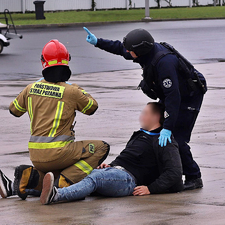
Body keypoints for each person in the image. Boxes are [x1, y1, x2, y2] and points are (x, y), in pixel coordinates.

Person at [83, 27, 207, 190]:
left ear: (140, 51)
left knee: (177, 137)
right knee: (158, 131)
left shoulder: (164, 63)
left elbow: (173, 97)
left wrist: (168, 127)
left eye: (131, 49)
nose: (128, 51)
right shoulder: (144, 52)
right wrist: (98, 42)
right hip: (172, 93)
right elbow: (120, 48)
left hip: (188, 96)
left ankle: (193, 176)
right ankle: (162, 170)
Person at [0, 40, 110, 200]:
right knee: (101, 148)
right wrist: (77, 89)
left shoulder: (30, 88)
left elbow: (14, 110)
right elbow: (92, 107)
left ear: (43, 62)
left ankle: (28, 176)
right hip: (59, 153)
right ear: (67, 60)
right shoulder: (71, 91)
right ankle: (64, 182)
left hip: (36, 155)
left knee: (51, 173)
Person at [40, 102, 184, 205]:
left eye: (145, 113)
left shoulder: (164, 140)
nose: (141, 116)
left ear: (155, 117)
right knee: (78, 172)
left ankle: (56, 196)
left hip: (128, 180)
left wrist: (150, 189)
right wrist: (110, 165)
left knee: (95, 178)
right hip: (116, 172)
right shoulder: (140, 135)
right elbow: (127, 159)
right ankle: (38, 190)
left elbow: (174, 172)